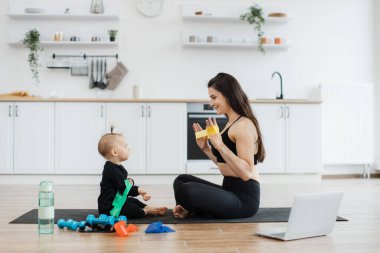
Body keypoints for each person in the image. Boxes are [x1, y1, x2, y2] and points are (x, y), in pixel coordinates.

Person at [173, 72, 265, 219]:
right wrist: (206, 149)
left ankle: (192, 207)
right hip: (229, 190)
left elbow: (246, 173)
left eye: (214, 97)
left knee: (187, 191)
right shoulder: (230, 123)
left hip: (245, 200)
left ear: (228, 95)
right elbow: (226, 164)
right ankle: (190, 208)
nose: (211, 103)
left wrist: (221, 146)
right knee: (181, 181)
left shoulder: (244, 125)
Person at [97, 130, 167, 218]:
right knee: (132, 209)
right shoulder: (111, 170)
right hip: (110, 208)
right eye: (125, 147)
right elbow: (124, 189)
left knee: (133, 201)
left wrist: (130, 182)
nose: (128, 149)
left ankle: (148, 207)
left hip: (117, 200)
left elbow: (124, 184)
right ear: (114, 152)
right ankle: (146, 211)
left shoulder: (117, 168)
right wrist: (139, 190)